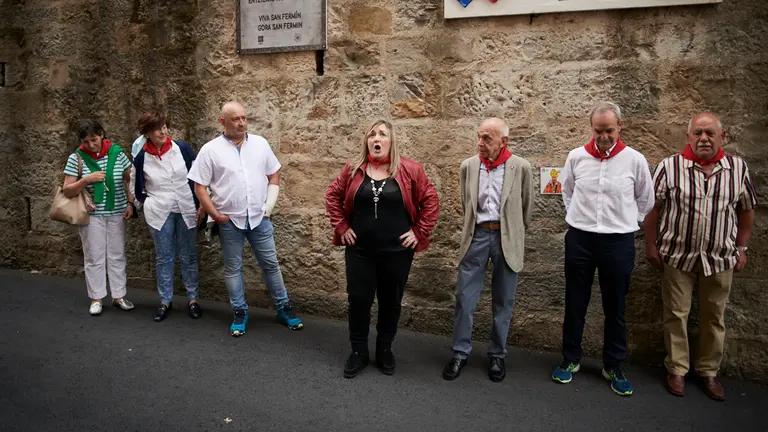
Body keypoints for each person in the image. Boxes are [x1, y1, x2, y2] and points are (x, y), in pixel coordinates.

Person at [644, 112, 757, 401]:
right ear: (688, 137)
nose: (703, 139)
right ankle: (677, 369)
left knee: (714, 317)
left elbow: (746, 209)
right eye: (698, 133)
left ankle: (709, 371)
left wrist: (742, 248)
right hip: (678, 256)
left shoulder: (737, 168)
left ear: (723, 137)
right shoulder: (670, 167)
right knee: (675, 314)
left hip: (720, 258)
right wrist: (651, 246)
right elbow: (652, 208)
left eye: (709, 133)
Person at [551, 102, 654, 396]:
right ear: (592, 128)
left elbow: (646, 200)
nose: (604, 136)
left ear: (620, 127)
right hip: (581, 239)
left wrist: (627, 222)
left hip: (618, 242)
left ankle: (613, 365)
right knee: (575, 302)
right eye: (599, 130)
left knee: (616, 306)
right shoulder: (576, 157)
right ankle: (570, 359)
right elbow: (567, 192)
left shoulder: (634, 160)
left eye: (609, 130)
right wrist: (579, 221)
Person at [326, 120, 439, 378]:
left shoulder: (410, 170)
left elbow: (430, 199)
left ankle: (384, 349)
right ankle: (358, 351)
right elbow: (332, 195)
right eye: (372, 134)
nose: (376, 139)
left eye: (382, 134)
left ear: (391, 141)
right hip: (360, 251)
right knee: (358, 301)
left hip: (396, 253)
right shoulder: (353, 169)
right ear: (367, 141)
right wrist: (342, 227)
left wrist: (419, 232)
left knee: (390, 302)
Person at [187, 101, 303, 336]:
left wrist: (268, 207)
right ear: (223, 122)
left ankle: (284, 308)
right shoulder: (210, 150)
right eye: (235, 119)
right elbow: (200, 187)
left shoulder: (260, 144)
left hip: (260, 219)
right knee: (233, 268)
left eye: (243, 118)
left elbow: (274, 175)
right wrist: (216, 215)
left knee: (271, 265)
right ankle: (240, 311)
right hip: (230, 221)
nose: (241, 123)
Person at [442, 117, 533, 383]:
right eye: (479, 137)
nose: (480, 143)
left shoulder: (521, 167)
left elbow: (526, 208)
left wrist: (513, 231)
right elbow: (465, 202)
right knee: (464, 297)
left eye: (487, 139)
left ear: (504, 141)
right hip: (478, 235)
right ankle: (460, 352)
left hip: (506, 236)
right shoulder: (469, 166)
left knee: (503, 300)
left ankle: (497, 355)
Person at [131, 111, 205, 322]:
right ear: (147, 133)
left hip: (186, 208)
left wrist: (201, 204)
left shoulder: (181, 149)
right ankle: (165, 300)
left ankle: (192, 299)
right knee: (164, 257)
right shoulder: (141, 157)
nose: (163, 131)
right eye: (157, 128)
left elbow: (199, 176)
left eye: (164, 126)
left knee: (188, 255)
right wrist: (148, 202)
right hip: (159, 212)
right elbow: (136, 187)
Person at [62, 119, 136, 315]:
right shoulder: (76, 158)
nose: (91, 145)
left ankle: (119, 296)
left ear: (102, 134)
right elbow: (67, 190)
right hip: (92, 215)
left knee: (117, 255)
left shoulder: (117, 153)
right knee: (94, 256)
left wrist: (130, 203)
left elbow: (130, 178)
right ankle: (96, 298)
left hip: (117, 212)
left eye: (94, 139)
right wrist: (86, 179)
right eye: (86, 142)